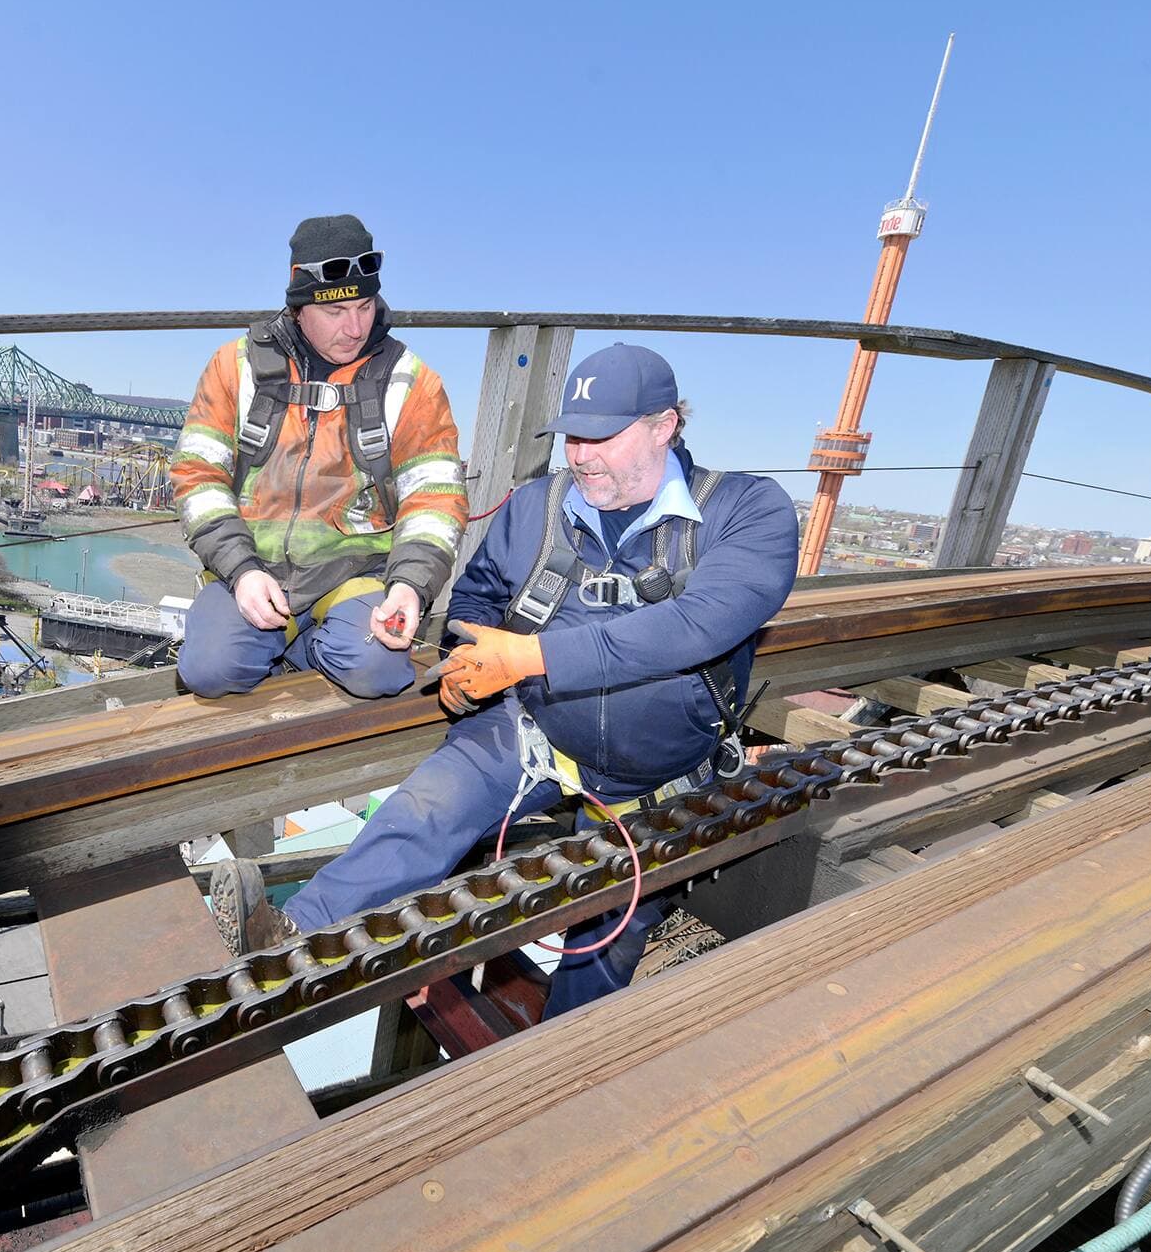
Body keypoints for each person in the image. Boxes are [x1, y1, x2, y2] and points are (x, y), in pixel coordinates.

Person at [212, 343, 800, 1020]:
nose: (580, 455)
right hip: (534, 728)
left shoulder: (747, 512)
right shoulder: (539, 508)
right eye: (572, 437)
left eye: (601, 436)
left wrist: (528, 658)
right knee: (423, 812)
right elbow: (478, 597)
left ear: (665, 425)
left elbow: (695, 625)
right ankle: (287, 944)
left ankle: (550, 1074)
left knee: (599, 941)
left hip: (657, 774)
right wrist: (469, 665)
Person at [170, 215, 467, 699]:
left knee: (380, 673)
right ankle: (304, 643)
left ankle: (307, 643)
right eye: (336, 312)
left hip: (357, 574)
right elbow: (196, 476)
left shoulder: (412, 381)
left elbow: (435, 500)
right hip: (255, 569)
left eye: (366, 305)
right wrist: (241, 571)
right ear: (300, 306)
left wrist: (410, 585)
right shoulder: (236, 366)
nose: (354, 327)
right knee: (209, 671)